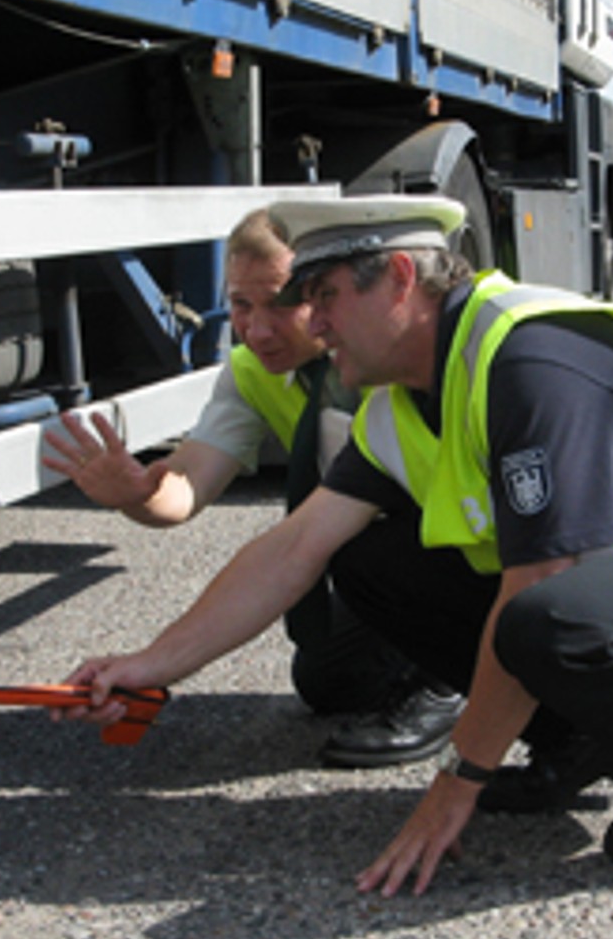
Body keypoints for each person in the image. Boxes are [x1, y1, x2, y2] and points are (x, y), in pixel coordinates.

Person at [57, 196, 613, 896]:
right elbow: (294, 547)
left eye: (323, 297)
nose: (311, 326)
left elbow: (544, 574)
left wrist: (460, 778)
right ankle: (580, 741)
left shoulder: (528, 356)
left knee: (546, 617)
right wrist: (152, 664)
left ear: (395, 280)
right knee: (365, 558)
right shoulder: (399, 400)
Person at [41, 208, 462, 767]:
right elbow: (186, 487)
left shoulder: (386, 360)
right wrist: (137, 493)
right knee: (327, 682)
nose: (258, 329)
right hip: (363, 539)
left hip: (464, 539)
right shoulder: (250, 371)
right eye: (241, 305)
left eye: (284, 303)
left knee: (372, 546)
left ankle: (451, 679)